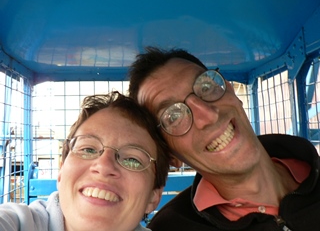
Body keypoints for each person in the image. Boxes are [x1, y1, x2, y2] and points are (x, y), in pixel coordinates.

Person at [128, 46, 320, 231]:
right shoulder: (169, 227)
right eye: (173, 116)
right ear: (171, 156)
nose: (208, 115)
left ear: (230, 90)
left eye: (205, 86)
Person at [0, 91, 170, 231]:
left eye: (133, 160)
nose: (103, 166)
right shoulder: (18, 223)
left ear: (153, 197)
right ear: (61, 172)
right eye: (88, 149)